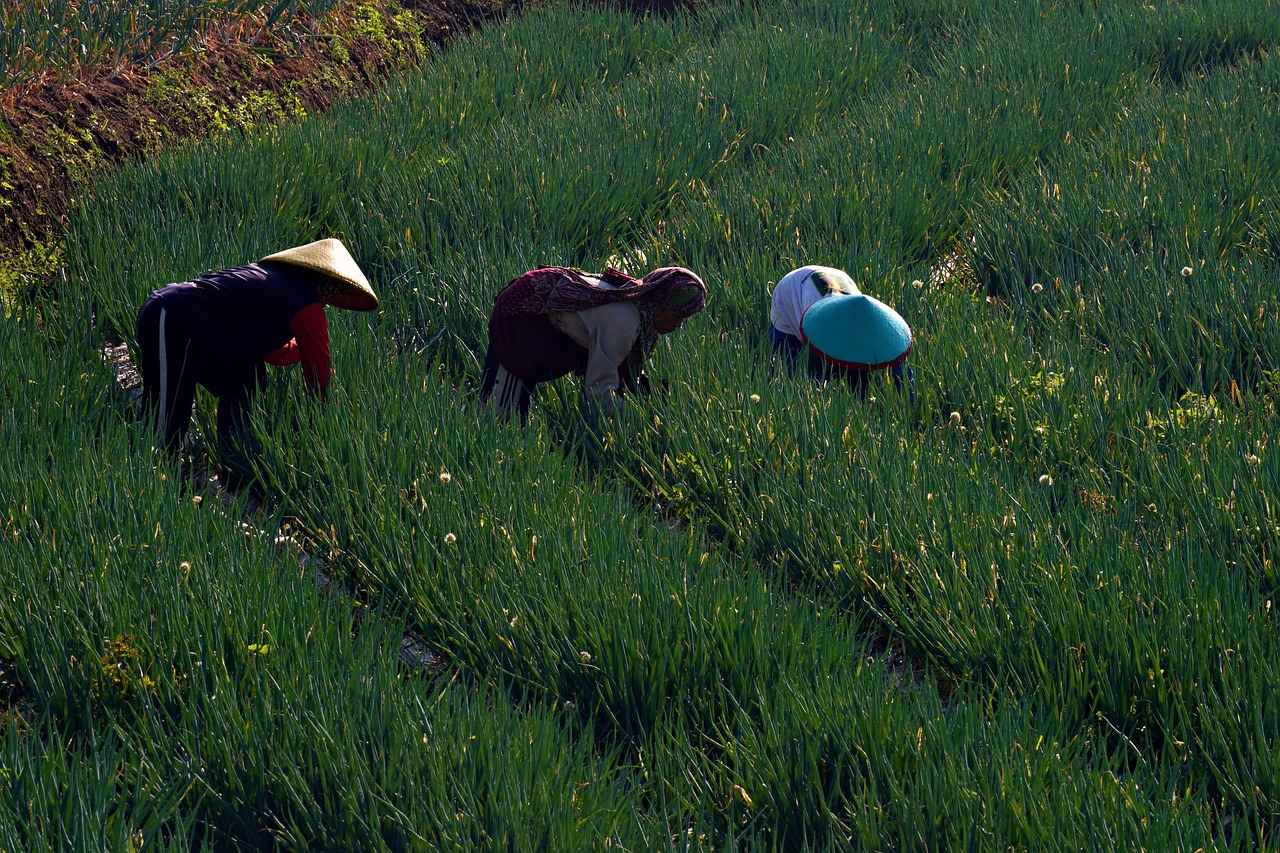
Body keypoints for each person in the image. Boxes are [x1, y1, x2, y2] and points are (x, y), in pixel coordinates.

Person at [135, 238, 378, 486]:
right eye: (333, 287)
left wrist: (304, 352)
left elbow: (271, 350)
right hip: (170, 316)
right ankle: (150, 479)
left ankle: (232, 461)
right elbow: (319, 373)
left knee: (247, 380)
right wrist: (321, 415)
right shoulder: (304, 301)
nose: (332, 296)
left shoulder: (278, 285)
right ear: (322, 279)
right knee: (170, 412)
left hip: (200, 332)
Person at [480, 265, 707, 428]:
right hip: (520, 318)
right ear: (660, 305)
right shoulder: (624, 322)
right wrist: (637, 417)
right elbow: (598, 392)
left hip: (548, 321)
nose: (679, 325)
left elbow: (625, 373)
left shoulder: (639, 307)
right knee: (501, 423)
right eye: (678, 316)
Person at [769, 265, 912, 396]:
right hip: (791, 289)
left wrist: (909, 399)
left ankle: (860, 400)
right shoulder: (824, 328)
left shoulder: (877, 332)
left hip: (837, 281)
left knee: (857, 369)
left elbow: (900, 369)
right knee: (788, 362)